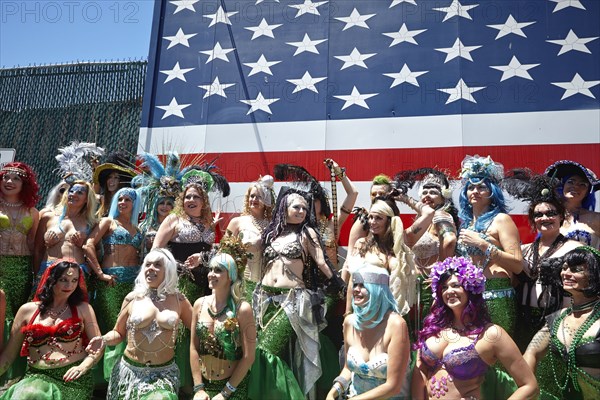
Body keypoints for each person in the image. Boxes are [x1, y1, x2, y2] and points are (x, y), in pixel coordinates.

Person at [252, 188, 343, 399]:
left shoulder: (307, 233)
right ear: (284, 208)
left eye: (304, 208)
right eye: (296, 207)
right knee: (265, 350)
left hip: (291, 301)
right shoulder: (271, 233)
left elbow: (321, 262)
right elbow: (250, 253)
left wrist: (338, 283)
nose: (302, 211)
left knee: (267, 350)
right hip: (265, 299)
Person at [412, 256, 538, 400]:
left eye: (456, 285)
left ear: (471, 289)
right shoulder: (434, 328)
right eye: (444, 288)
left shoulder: (491, 334)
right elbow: (420, 370)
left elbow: (529, 385)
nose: (449, 291)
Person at [90, 248, 193, 399]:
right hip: (130, 373)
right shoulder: (132, 298)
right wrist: (104, 339)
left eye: (157, 265)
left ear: (169, 270)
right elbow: (118, 333)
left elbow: (197, 331)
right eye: (148, 264)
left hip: (163, 374)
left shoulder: (179, 300)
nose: (151, 268)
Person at [0, 259, 103, 399]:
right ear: (51, 280)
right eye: (64, 279)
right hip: (37, 377)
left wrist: (83, 367)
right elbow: (8, 356)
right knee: (30, 393)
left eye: (74, 280)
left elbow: (98, 346)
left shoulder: (83, 309)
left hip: (72, 380)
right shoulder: (27, 310)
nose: (69, 285)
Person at [455, 155, 523, 335]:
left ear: (492, 192)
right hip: (469, 298)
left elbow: (517, 264)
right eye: (470, 187)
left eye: (481, 187)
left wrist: (483, 244)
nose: (475, 191)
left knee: (498, 355)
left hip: (497, 296)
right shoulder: (465, 225)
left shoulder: (501, 220)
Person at [524, 246, 600, 399]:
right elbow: (532, 352)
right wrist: (527, 388)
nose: (566, 273)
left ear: (594, 274)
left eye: (576, 269)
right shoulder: (558, 318)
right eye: (564, 268)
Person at [83, 187, 143, 379]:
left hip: (133, 282)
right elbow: (88, 245)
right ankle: (107, 378)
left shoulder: (139, 228)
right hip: (111, 281)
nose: (123, 203)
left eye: (128, 200)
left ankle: (126, 374)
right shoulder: (108, 222)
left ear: (135, 204)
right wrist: (100, 273)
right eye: (120, 199)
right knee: (111, 326)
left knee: (128, 327)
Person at [326, 264, 409, 399]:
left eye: (363, 285)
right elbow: (347, 369)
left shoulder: (396, 325)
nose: (356, 290)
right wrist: (333, 392)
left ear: (377, 290)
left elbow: (393, 386)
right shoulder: (350, 322)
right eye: (355, 284)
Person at [190, 239, 256, 400]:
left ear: (231, 276)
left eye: (218, 270)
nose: (211, 274)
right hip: (203, 388)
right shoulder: (199, 304)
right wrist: (198, 388)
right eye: (210, 269)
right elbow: (193, 347)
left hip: (234, 388)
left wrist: (225, 393)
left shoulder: (243, 309)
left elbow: (248, 357)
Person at [344, 195, 429, 316]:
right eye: (370, 217)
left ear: (389, 221)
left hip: (394, 310)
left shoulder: (401, 246)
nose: (372, 222)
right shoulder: (362, 244)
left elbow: (429, 213)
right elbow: (353, 281)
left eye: (378, 218)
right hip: (367, 310)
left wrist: (405, 198)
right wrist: (347, 312)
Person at [34, 180, 100, 284]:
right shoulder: (48, 216)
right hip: (48, 269)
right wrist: (36, 275)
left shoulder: (92, 224)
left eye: (80, 192)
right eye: (71, 191)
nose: (74, 194)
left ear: (87, 199)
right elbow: (37, 250)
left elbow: (98, 252)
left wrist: (82, 247)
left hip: (75, 274)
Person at [0, 162, 40, 323]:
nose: (9, 182)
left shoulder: (32, 211)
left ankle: (12, 346)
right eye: (5, 177)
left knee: (16, 309)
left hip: (22, 267)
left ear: (25, 184)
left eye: (16, 178)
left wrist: (36, 274)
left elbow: (33, 243)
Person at [225, 175, 275, 300]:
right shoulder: (237, 222)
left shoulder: (274, 225)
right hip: (242, 282)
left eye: (259, 196)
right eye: (252, 196)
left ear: (267, 199)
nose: (254, 199)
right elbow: (223, 251)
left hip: (268, 284)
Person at [545, 160, 600, 249]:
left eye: (582, 184)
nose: (575, 186)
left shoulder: (596, 219)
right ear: (563, 186)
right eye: (571, 182)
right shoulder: (548, 216)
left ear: (587, 192)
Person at [347, 174, 393, 252]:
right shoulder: (364, 220)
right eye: (374, 194)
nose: (377, 196)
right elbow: (351, 255)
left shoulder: (394, 219)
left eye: (381, 193)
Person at [93, 151, 136, 218]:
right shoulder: (102, 199)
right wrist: (96, 170)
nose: (111, 181)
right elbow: (92, 194)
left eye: (116, 178)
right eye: (109, 177)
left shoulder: (126, 202)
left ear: (122, 181)